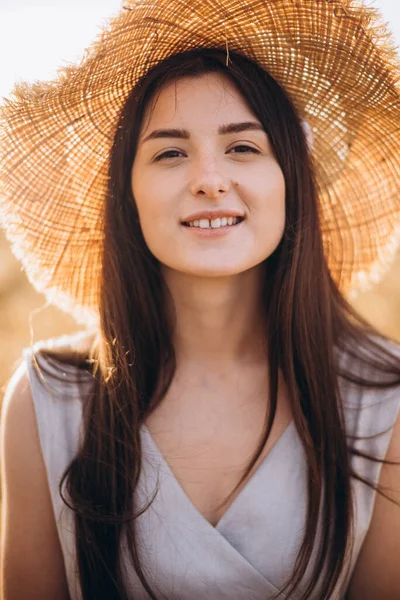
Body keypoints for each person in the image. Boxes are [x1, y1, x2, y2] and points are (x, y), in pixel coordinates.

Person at [1, 1, 400, 599]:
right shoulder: (49, 401)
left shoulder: (383, 401)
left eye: (243, 147)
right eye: (170, 152)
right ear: (126, 195)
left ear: (291, 180)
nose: (210, 178)